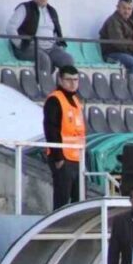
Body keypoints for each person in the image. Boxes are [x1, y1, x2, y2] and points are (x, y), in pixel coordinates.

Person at [6, 0, 74, 75]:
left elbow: (55, 32)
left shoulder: (52, 11)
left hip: (50, 47)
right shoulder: (25, 8)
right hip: (28, 47)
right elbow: (10, 27)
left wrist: (59, 45)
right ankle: (43, 86)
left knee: (68, 59)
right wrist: (19, 44)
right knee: (44, 58)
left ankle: (65, 87)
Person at [42, 65, 85, 211]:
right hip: (63, 157)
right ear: (60, 80)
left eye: (76, 80)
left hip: (76, 157)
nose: (73, 83)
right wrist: (58, 158)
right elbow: (51, 129)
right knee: (62, 198)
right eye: (68, 80)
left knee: (78, 198)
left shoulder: (76, 100)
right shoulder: (55, 100)